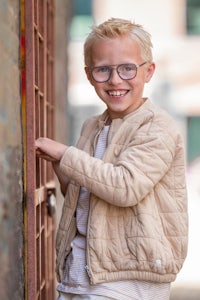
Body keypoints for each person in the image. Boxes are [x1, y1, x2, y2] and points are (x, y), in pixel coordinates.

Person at [35, 18, 188, 300]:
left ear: (149, 71)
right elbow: (84, 197)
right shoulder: (92, 127)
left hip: (127, 280)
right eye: (103, 69)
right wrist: (60, 165)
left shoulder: (157, 127)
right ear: (89, 75)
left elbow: (125, 187)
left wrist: (66, 154)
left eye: (127, 68)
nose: (115, 80)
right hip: (82, 274)